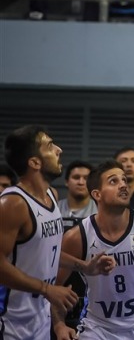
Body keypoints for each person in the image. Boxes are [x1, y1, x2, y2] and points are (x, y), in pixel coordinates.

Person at [0, 125, 115, 340]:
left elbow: (44, 250)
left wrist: (85, 267)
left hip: (39, 317)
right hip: (9, 321)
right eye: (50, 146)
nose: (59, 149)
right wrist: (47, 288)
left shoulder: (51, 195)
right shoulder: (12, 204)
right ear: (35, 162)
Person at [52, 160, 134, 340]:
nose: (123, 185)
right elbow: (54, 283)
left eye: (124, 180)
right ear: (97, 194)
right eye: (113, 181)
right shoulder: (77, 237)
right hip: (98, 328)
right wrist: (59, 324)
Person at [58, 160, 97, 231]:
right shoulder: (55, 209)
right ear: (66, 182)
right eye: (76, 177)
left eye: (86, 178)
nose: (81, 182)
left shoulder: (100, 210)